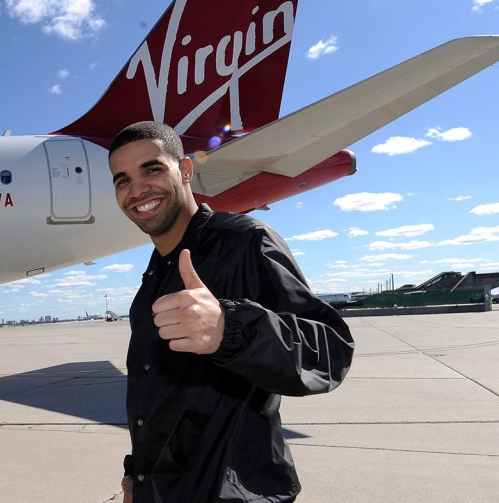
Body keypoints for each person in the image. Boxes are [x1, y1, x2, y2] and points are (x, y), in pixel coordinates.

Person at [107, 122, 355, 503]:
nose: (137, 189)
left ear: (185, 170)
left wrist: (230, 329)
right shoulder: (152, 282)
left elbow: (330, 351)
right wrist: (134, 478)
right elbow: (155, 403)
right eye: (122, 180)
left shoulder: (243, 241)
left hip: (232, 492)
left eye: (152, 169)